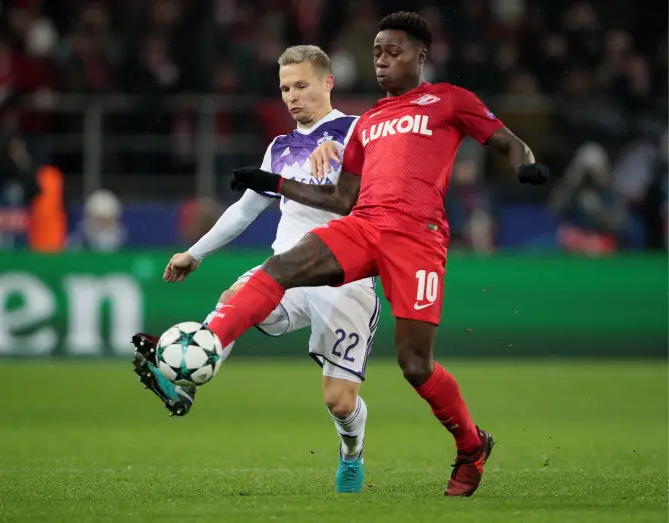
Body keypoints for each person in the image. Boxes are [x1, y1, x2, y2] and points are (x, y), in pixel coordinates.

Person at [164, 11, 550, 496]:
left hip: (418, 238)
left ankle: (471, 446)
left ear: (421, 55)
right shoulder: (369, 122)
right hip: (363, 225)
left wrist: (526, 165)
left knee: (415, 365)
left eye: (394, 52)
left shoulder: (450, 100)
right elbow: (341, 200)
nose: (382, 62)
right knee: (279, 268)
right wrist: (273, 182)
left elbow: (507, 140)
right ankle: (203, 353)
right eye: (376, 54)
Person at [132, 45, 379, 494]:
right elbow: (244, 210)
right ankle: (184, 383)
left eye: (302, 85)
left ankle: (351, 452)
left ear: (328, 83)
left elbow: (375, 191)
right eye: (285, 88)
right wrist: (196, 252)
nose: (292, 97)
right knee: (233, 299)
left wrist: (341, 153)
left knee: (339, 401)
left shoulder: (359, 132)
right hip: (287, 269)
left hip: (345, 276)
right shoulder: (280, 147)